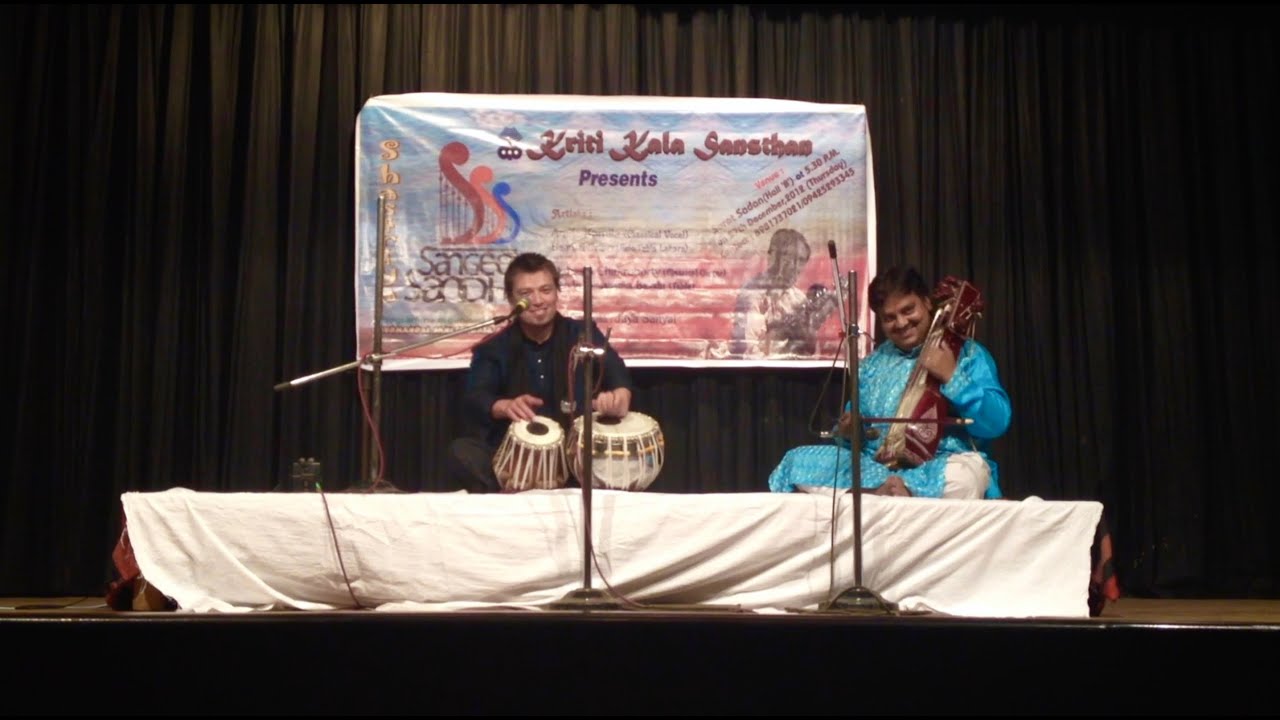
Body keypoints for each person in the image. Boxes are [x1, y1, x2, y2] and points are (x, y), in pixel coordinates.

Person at [768, 266, 1011, 498]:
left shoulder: (967, 354)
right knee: (797, 461)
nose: (902, 323)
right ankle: (885, 492)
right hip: (876, 470)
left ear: (927, 302)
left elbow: (997, 423)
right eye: (890, 318)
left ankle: (899, 492)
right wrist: (849, 432)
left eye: (908, 310)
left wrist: (952, 376)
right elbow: (853, 438)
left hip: (939, 465)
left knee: (967, 475)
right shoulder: (871, 365)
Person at [447, 252, 634, 493]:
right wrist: (503, 406)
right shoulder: (494, 346)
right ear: (511, 299)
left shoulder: (583, 333)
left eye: (545, 290)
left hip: (576, 455)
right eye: (526, 293)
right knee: (462, 452)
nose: (537, 300)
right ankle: (508, 497)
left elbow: (617, 374)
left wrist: (619, 397)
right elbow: (476, 396)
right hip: (514, 460)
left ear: (557, 292)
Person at [730, 228, 837, 357]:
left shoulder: (799, 298)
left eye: (801, 260)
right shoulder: (753, 292)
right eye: (789, 258)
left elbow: (812, 353)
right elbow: (750, 348)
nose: (795, 267)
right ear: (774, 257)